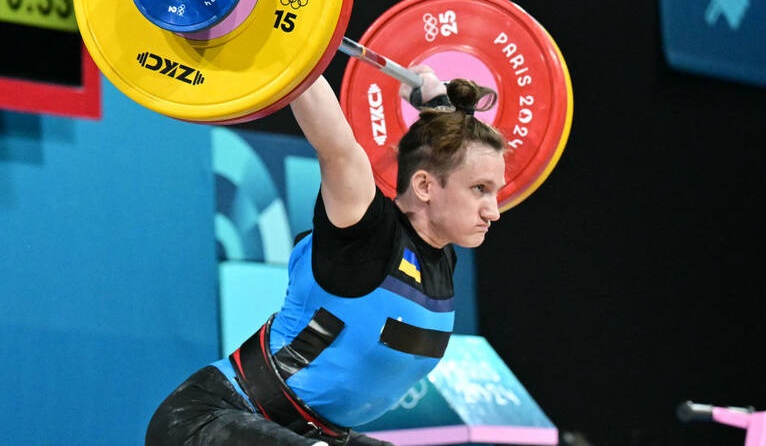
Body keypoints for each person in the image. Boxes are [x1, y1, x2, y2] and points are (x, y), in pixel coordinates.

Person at [145, 65, 507, 445]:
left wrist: (438, 105)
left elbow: (447, 152)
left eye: (495, 191)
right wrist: (294, 50)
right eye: (480, 189)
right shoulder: (365, 234)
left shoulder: (440, 255)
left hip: (312, 435)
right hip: (210, 420)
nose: (494, 211)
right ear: (424, 186)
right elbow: (336, 145)